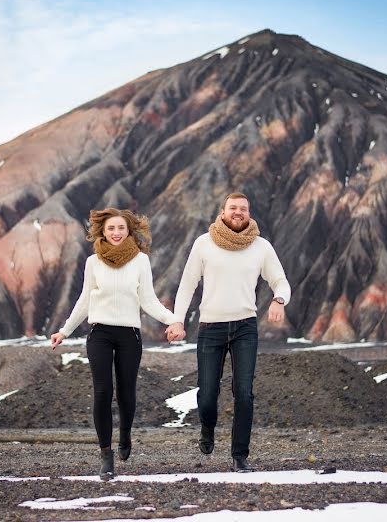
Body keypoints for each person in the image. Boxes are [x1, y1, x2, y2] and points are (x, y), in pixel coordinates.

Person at [166, 192, 290, 472]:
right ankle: (207, 428)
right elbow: (187, 285)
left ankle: (239, 456)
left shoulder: (261, 247)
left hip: (245, 327)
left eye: (243, 209)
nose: (238, 212)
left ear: (249, 213)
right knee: (208, 394)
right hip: (211, 327)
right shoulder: (204, 244)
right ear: (222, 213)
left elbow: (281, 282)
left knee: (244, 392)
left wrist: (279, 299)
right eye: (233, 208)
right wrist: (177, 321)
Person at [51, 208, 178, 481]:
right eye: (111, 228)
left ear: (128, 230)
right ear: (103, 231)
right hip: (100, 334)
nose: (116, 233)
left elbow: (148, 300)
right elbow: (84, 301)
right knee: (102, 391)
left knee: (126, 394)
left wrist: (173, 320)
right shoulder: (93, 262)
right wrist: (64, 330)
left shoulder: (141, 261)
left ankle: (126, 434)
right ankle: (106, 454)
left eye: (121, 228)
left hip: (129, 335)